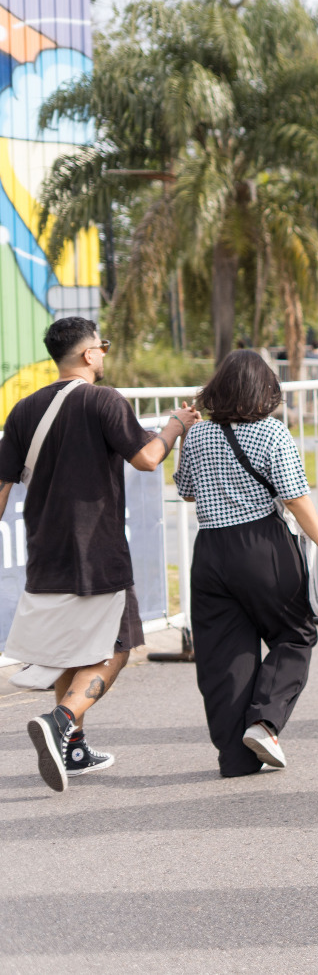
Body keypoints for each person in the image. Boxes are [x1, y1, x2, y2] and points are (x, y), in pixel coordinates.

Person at [0, 318, 199, 792]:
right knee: (119, 647)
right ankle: (61, 720)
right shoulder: (105, 401)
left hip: (44, 549)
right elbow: (147, 458)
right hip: (98, 548)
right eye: (102, 347)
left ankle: (73, 748)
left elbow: (2, 487)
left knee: (71, 648)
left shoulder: (23, 409)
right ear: (88, 354)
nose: (104, 354)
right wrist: (173, 427)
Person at [174, 350, 318, 776]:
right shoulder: (271, 433)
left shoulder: (197, 436)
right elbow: (295, 497)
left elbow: (187, 492)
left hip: (210, 551)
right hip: (261, 544)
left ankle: (235, 757)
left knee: (224, 656)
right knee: (294, 635)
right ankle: (265, 723)